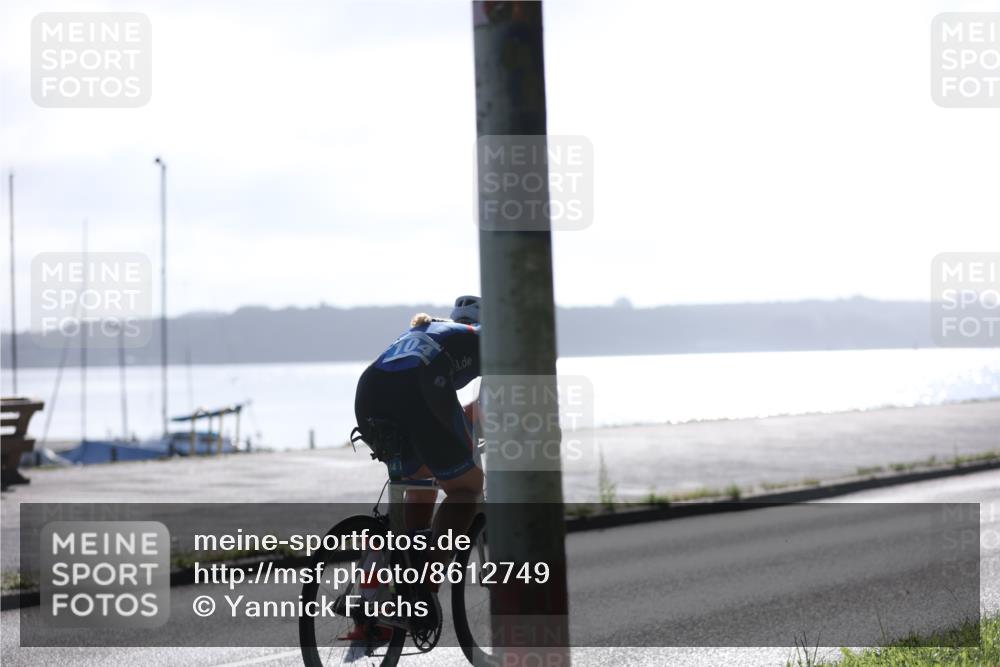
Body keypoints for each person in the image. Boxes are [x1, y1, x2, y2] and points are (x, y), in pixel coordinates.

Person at [353, 294, 484, 564]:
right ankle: (426, 586)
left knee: (422, 477)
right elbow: (491, 406)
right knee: (467, 489)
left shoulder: (432, 329)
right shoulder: (487, 338)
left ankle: (393, 574)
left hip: (369, 392)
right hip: (418, 391)